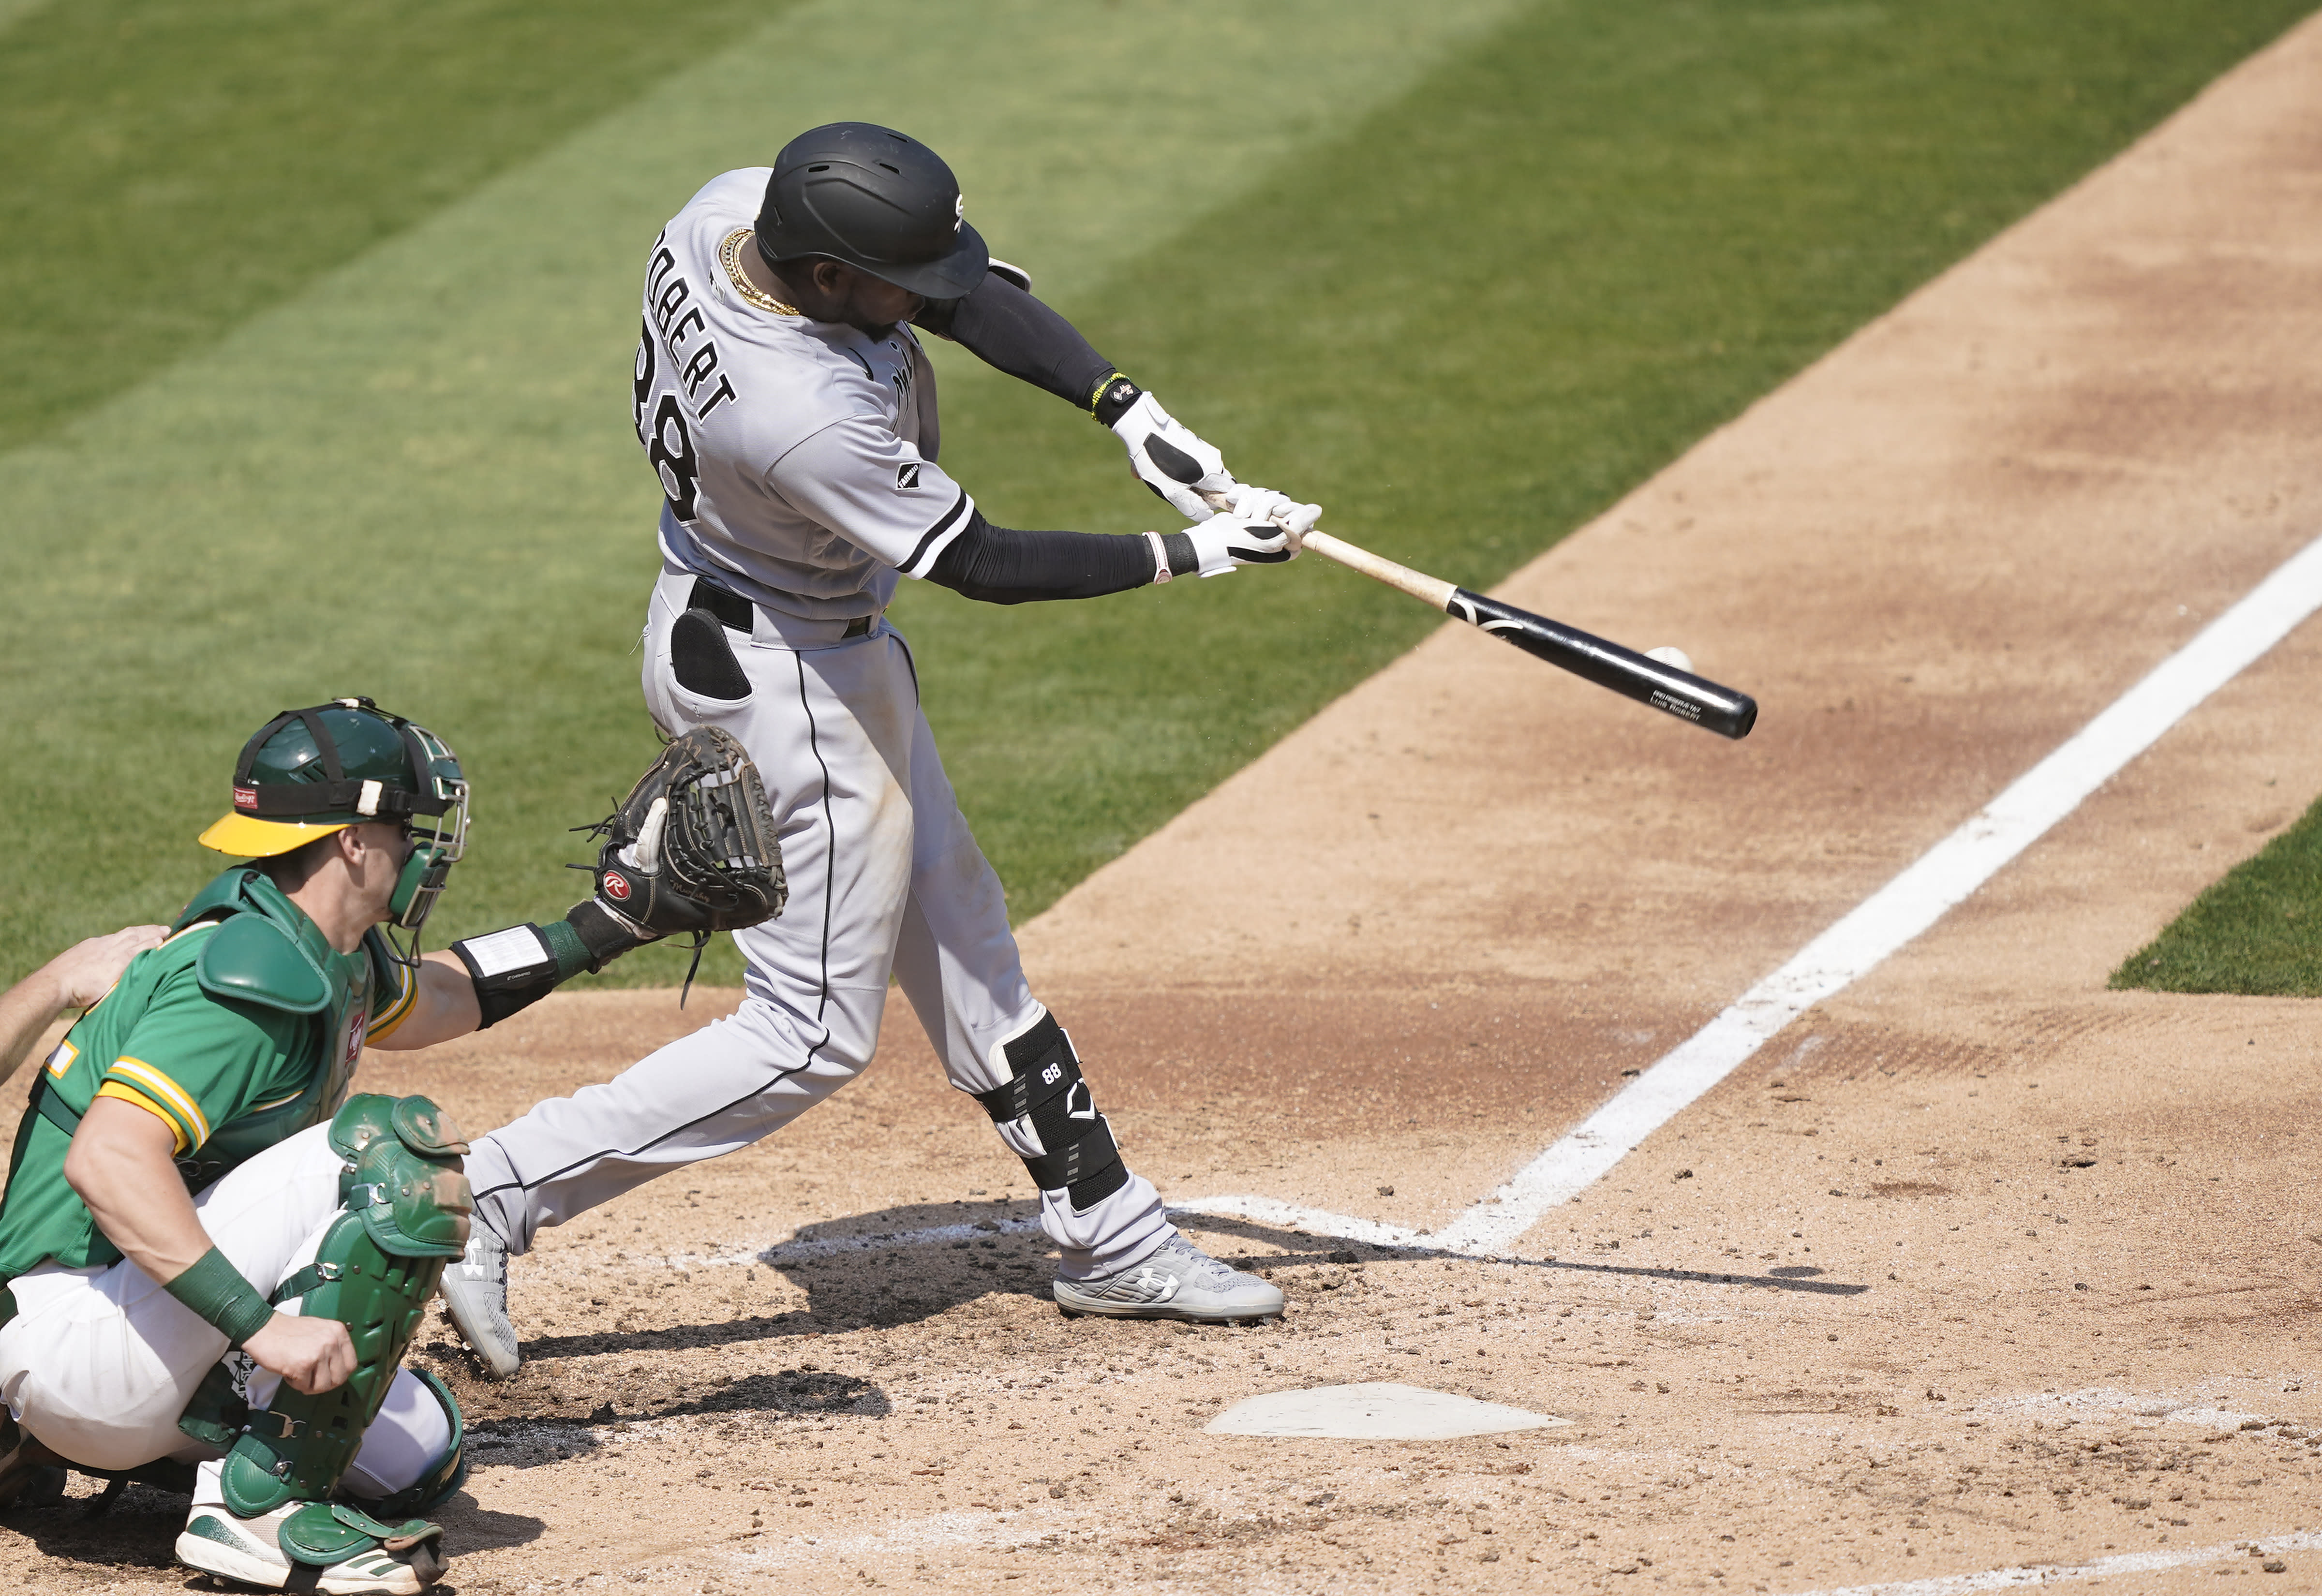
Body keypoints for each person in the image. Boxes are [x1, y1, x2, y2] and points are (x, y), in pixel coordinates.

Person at [441, 121, 1322, 1378]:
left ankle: (1109, 1232)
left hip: (770, 629)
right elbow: (986, 563)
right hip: (786, 681)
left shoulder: (733, 214)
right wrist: (1201, 552)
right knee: (809, 1033)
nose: (926, 295)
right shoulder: (798, 414)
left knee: (967, 938)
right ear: (828, 279)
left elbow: (966, 298)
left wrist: (1131, 414)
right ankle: (485, 1192)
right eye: (894, 282)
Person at [0, 699, 758, 1593]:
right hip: (77, 1339)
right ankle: (254, 1518)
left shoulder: (324, 952)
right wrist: (262, 1330)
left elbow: (442, 998)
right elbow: (107, 1160)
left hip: (130, 1329)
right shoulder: (247, 983)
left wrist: (607, 924)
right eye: (405, 826)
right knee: (396, 1161)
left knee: (418, 1452)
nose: (420, 850)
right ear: (353, 842)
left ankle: (174, 1453)